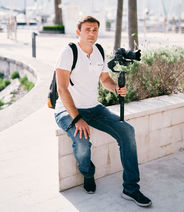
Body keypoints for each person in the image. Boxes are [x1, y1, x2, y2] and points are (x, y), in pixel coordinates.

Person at [54, 16, 152, 207]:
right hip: (67, 111)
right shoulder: (68, 52)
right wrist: (77, 118)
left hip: (94, 108)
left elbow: (105, 79)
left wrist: (116, 88)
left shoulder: (99, 51)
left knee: (127, 131)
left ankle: (131, 188)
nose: (92, 33)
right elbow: (62, 89)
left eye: (95, 30)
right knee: (82, 141)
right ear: (78, 32)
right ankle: (88, 173)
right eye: (88, 29)